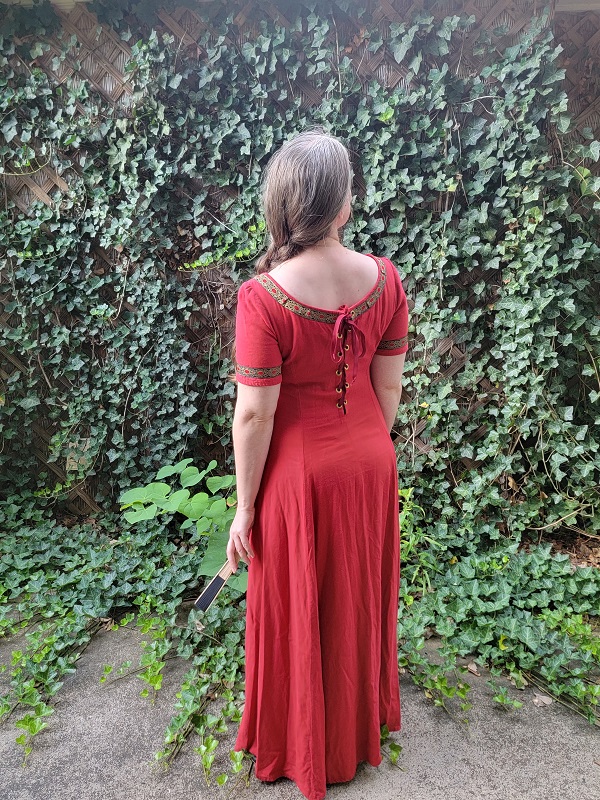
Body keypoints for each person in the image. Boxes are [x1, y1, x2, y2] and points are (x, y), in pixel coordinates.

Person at [226, 130, 409, 800]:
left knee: (297, 599)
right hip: (370, 463)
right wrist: (363, 447)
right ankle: (353, 728)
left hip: (297, 478)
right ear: (341, 205)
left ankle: (299, 739)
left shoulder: (264, 296)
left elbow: (254, 416)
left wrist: (245, 509)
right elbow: (387, 388)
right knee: (355, 597)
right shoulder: (386, 279)